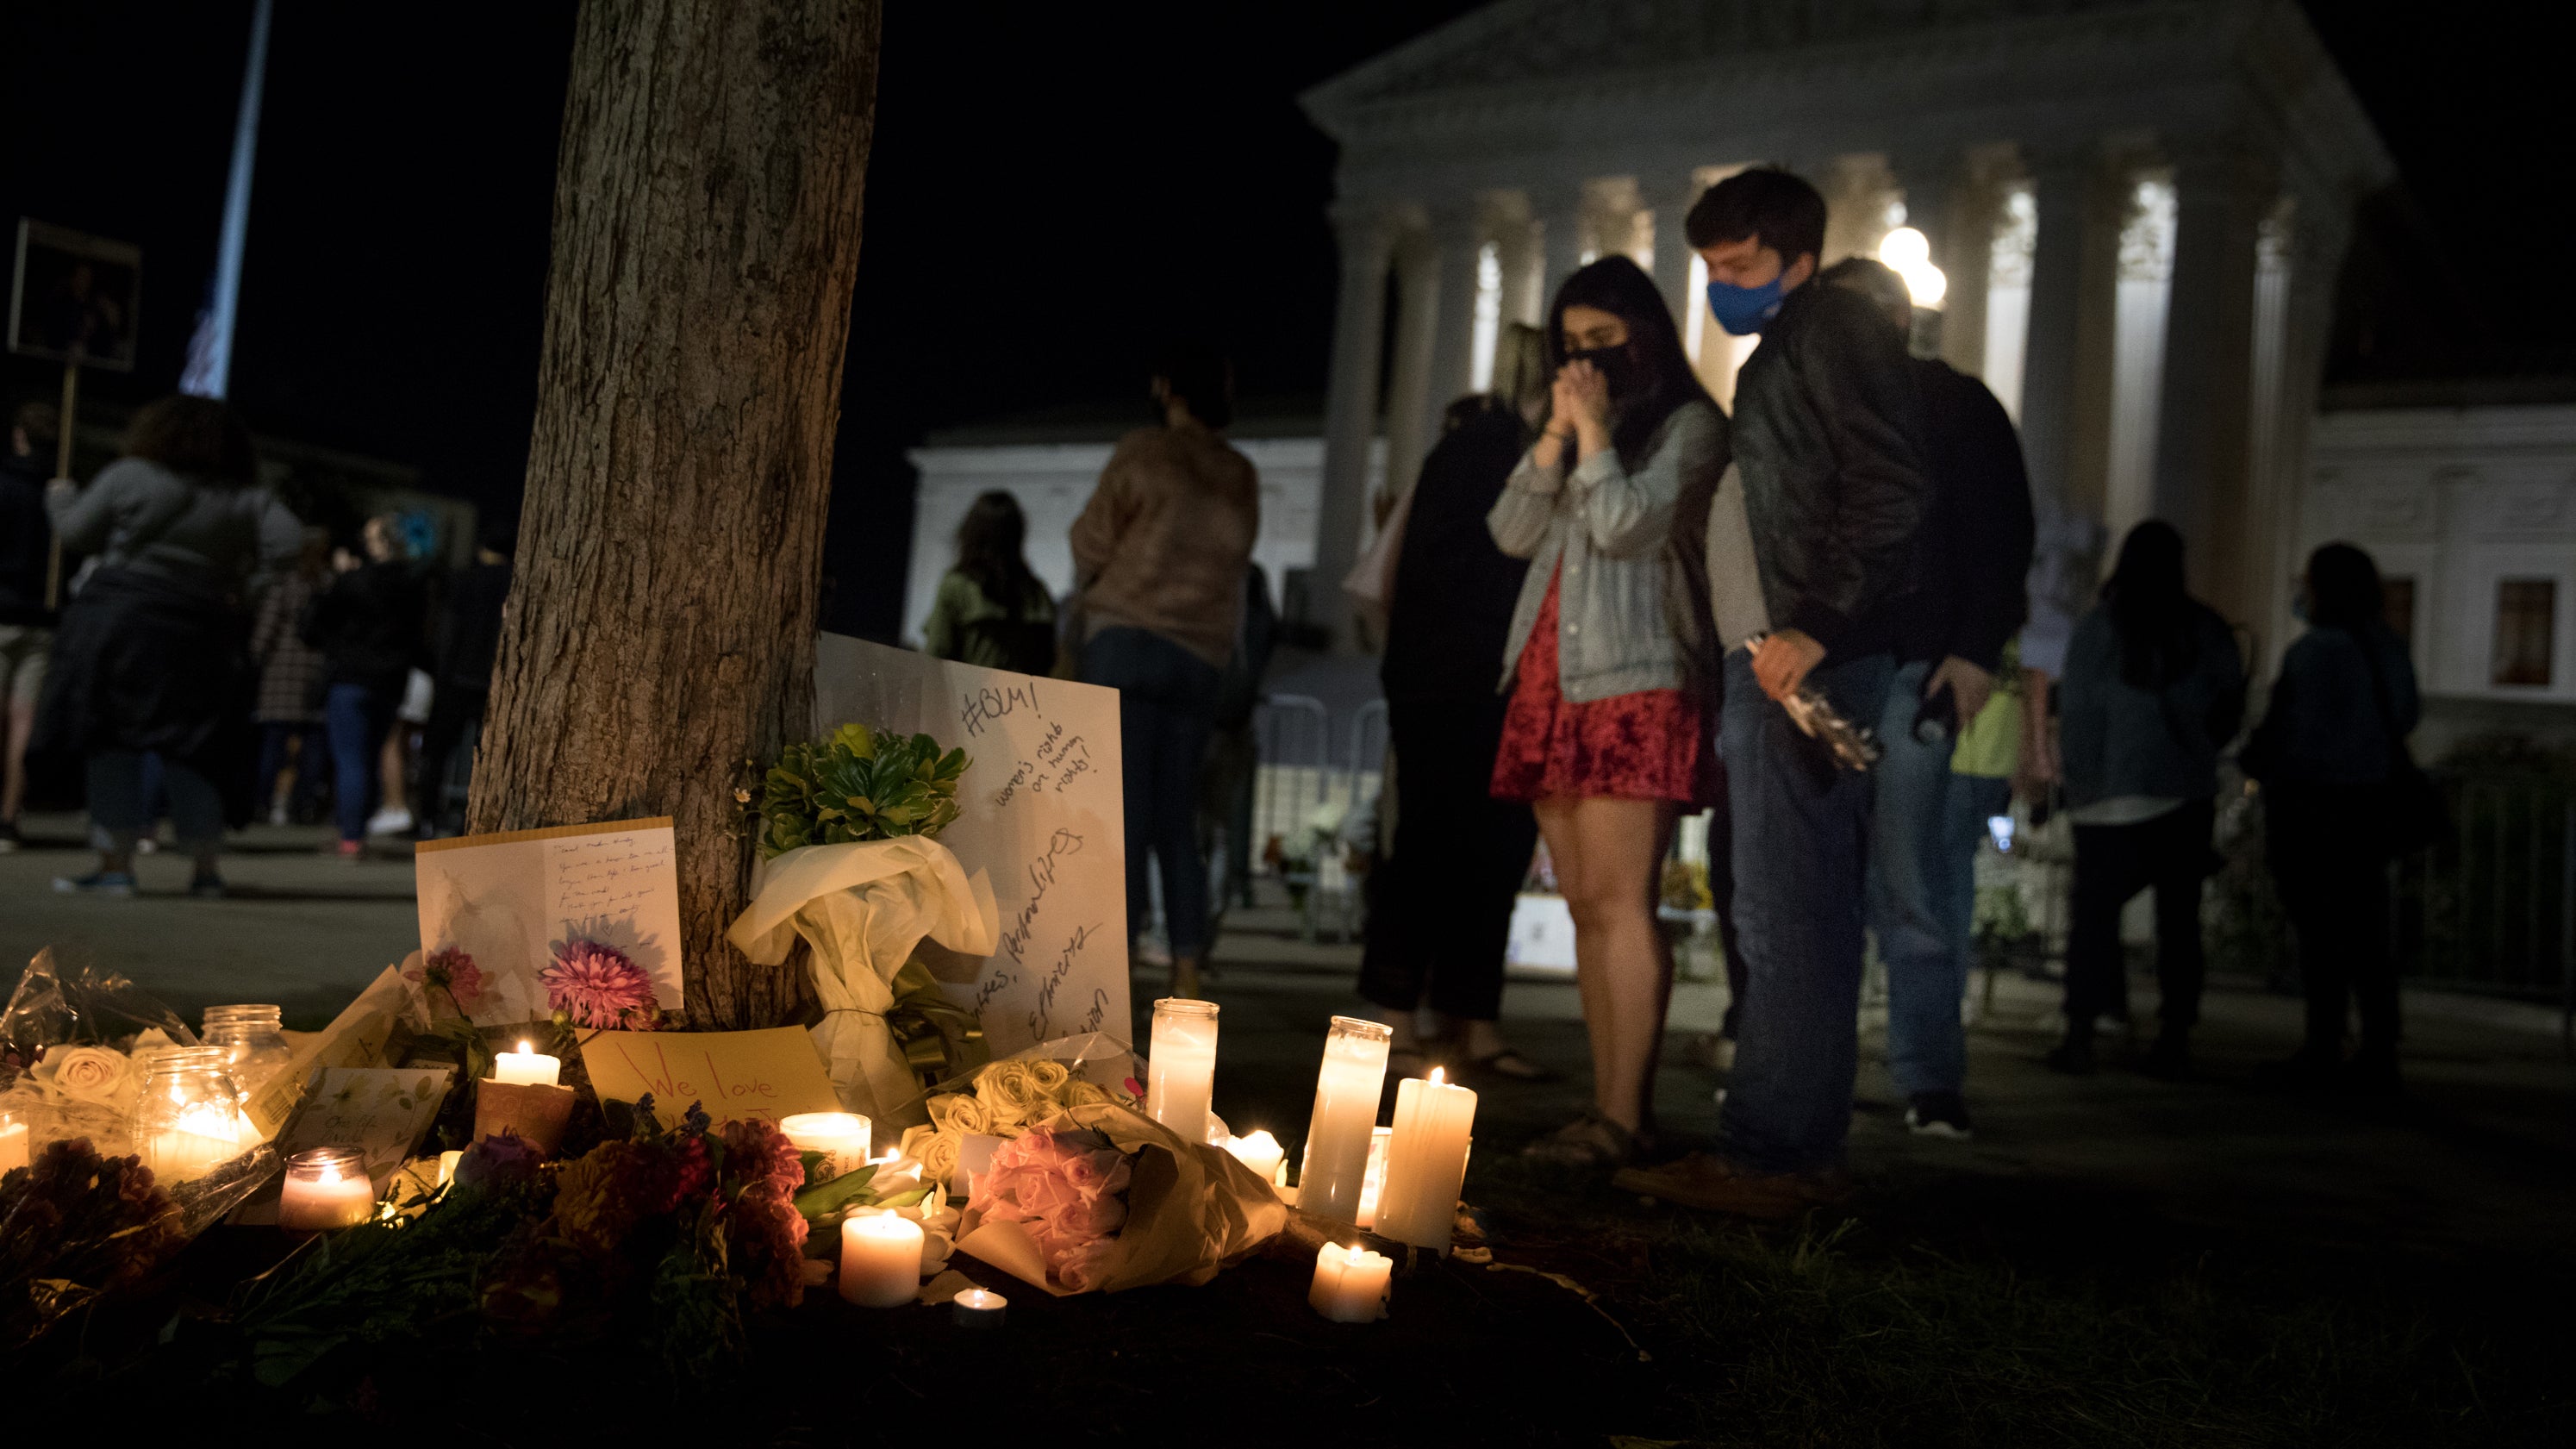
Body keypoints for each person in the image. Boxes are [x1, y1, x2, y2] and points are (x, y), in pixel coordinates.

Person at [1612, 167, 1933, 1214]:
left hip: (1803, 656)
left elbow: (1889, 489)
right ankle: (1793, 1146)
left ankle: (1768, 1157)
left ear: (1797, 259)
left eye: (1738, 266)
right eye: (1707, 266)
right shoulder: (1795, 341)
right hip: (1784, 651)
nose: (1718, 286)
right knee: (1793, 912)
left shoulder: (1829, 331)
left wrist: (1812, 624)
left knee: (1784, 913)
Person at [1484, 259, 1728, 1168]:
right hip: (1552, 679)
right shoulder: (1585, 427)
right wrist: (1557, 430)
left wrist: (1588, 434)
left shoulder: (1690, 428)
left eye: (1602, 342)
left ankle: (1626, 1116)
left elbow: (1627, 524)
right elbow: (1510, 531)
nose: (1584, 361)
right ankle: (1604, 1106)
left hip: (1633, 678)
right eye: (1569, 346)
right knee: (1584, 903)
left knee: (1623, 902)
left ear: (1645, 336)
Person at [1818, 258, 2035, 1140]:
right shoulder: (1829, 412)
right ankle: (1814, 1072)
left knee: (1916, 884)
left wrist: (1974, 649)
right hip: (1836, 668)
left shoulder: (1954, 405)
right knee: (1829, 885)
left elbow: (2000, 531)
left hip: (1913, 670)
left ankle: (1928, 1077)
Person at [1357, 324, 1550, 1083]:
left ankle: (1449, 1017)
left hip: (1460, 681)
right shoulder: (1491, 451)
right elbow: (1472, 576)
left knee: (1476, 851)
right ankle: (1410, 1016)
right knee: (1450, 851)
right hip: (1460, 684)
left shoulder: (1480, 451)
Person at [36, 396, 301, 895]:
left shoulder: (130, 474)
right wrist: (246, 584)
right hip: (202, 631)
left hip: (120, 623)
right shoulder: (244, 494)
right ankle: (205, 871)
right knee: (195, 748)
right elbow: (287, 545)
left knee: (111, 740)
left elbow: (76, 534)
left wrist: (60, 498)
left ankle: (116, 867)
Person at [1070, 340, 1260, 999]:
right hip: (1198, 657)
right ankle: (1184, 970)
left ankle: (1115, 972)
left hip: (1125, 640)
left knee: (1120, 818)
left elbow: (1091, 538)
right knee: (1176, 820)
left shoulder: (1144, 451)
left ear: (1165, 387)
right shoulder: (1239, 472)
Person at [2048, 520, 2244, 1077]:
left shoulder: (2097, 630)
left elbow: (2079, 720)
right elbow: (2225, 706)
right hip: (2183, 793)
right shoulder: (2204, 629)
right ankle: (2173, 1034)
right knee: (2178, 922)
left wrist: (2076, 790)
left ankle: (2081, 1031)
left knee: (2092, 919)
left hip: (2106, 796)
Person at [2242, 542, 2418, 1096]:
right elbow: (2407, 714)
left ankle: (2323, 1046)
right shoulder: (2386, 646)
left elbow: (2293, 729)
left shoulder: (2314, 652)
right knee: (2368, 931)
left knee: (2320, 932)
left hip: (2313, 804)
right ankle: (2378, 1049)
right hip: (2369, 803)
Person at [303, 515, 429, 859]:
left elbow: (314, 624)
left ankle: (351, 836)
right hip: (390, 680)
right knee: (371, 757)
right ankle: (359, 831)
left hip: (350, 677)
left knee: (350, 759)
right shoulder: (412, 586)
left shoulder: (354, 582)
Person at [419, 518, 515, 837]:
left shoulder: (464, 580)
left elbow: (447, 631)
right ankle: (472, 821)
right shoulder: (514, 583)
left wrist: (440, 673)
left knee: (437, 753)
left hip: (457, 678)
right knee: (486, 756)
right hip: (493, 682)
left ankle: (429, 817)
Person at [1, 403, 61, 852]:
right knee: (23, 720)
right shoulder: (56, 494)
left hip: (4, 612)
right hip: (40, 616)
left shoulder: (6, 486)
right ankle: (8, 817)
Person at [249, 528, 334, 826]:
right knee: (312, 748)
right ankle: (304, 805)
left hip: (280, 675)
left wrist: (255, 660)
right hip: (317, 675)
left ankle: (261, 803)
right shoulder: (330, 586)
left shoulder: (286, 584)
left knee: (273, 745)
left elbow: (266, 631)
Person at [923, 491, 1057, 675]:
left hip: (967, 698)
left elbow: (937, 652)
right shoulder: (1037, 592)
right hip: (1024, 700)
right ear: (1017, 534)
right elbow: (1047, 659)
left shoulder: (956, 586)